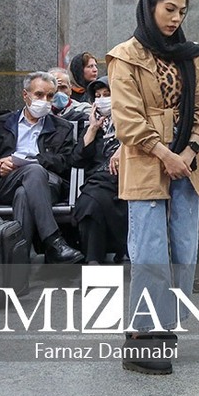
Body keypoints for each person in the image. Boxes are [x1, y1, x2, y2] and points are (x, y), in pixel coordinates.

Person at [108, 0, 199, 375]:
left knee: (184, 248)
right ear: (150, 6)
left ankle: (165, 325)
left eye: (182, 11)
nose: (175, 18)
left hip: (186, 163)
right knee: (150, 250)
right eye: (169, 9)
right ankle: (142, 334)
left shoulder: (191, 55)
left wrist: (188, 151)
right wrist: (164, 154)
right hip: (146, 162)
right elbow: (127, 120)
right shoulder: (125, 57)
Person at [0, 71, 85, 264]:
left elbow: (65, 160)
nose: (44, 101)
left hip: (48, 184)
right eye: (39, 95)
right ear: (25, 95)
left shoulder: (62, 127)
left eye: (50, 96)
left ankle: (18, 261)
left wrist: (34, 161)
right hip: (5, 182)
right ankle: (53, 241)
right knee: (29, 177)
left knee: (25, 189)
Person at [69, 76, 127, 264]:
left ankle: (120, 250)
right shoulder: (93, 127)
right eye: (98, 96)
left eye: (107, 94)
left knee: (98, 198)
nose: (102, 99)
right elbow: (77, 159)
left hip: (125, 178)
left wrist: (124, 148)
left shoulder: (130, 123)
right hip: (98, 181)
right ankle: (93, 258)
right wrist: (92, 129)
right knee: (90, 202)